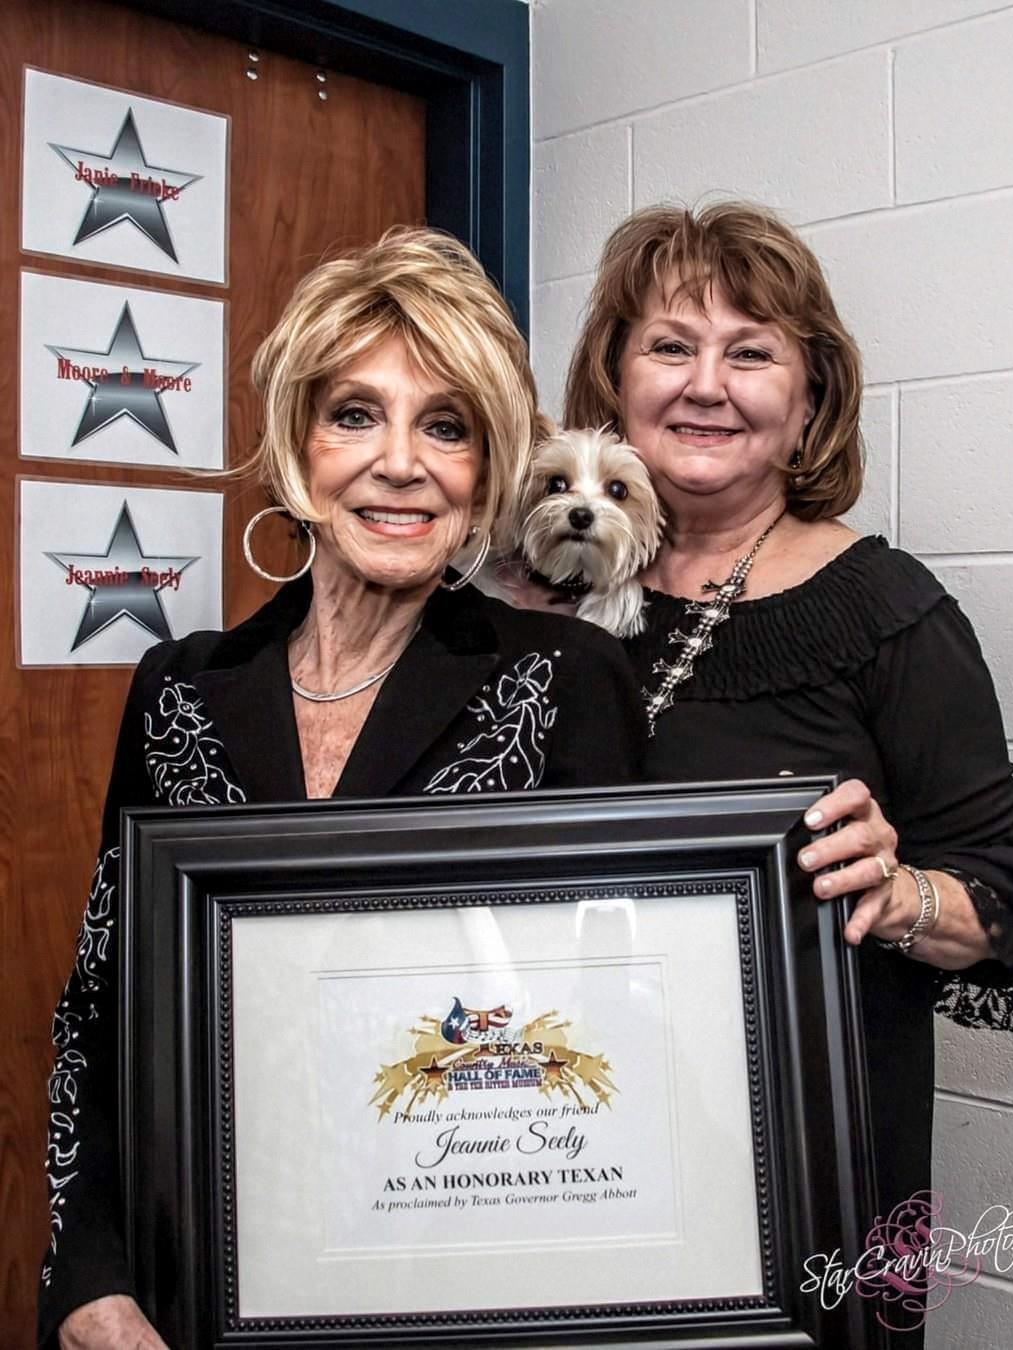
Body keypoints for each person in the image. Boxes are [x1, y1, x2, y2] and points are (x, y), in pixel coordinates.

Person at [41, 227, 645, 1349]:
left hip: (471, 1285)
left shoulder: (565, 676)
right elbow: (100, 1008)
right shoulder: (181, 687)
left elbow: (616, 1028)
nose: (401, 463)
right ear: (297, 446)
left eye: (446, 426)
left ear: (485, 472)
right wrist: (87, 1279)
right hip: (196, 1278)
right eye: (356, 414)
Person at [563, 201, 1013, 1336]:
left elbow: (1010, 901)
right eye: (671, 346)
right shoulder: (542, 596)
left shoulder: (891, 613)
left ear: (808, 405)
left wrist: (898, 893)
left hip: (811, 1172)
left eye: (750, 354)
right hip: (565, 1150)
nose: (706, 385)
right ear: (615, 382)